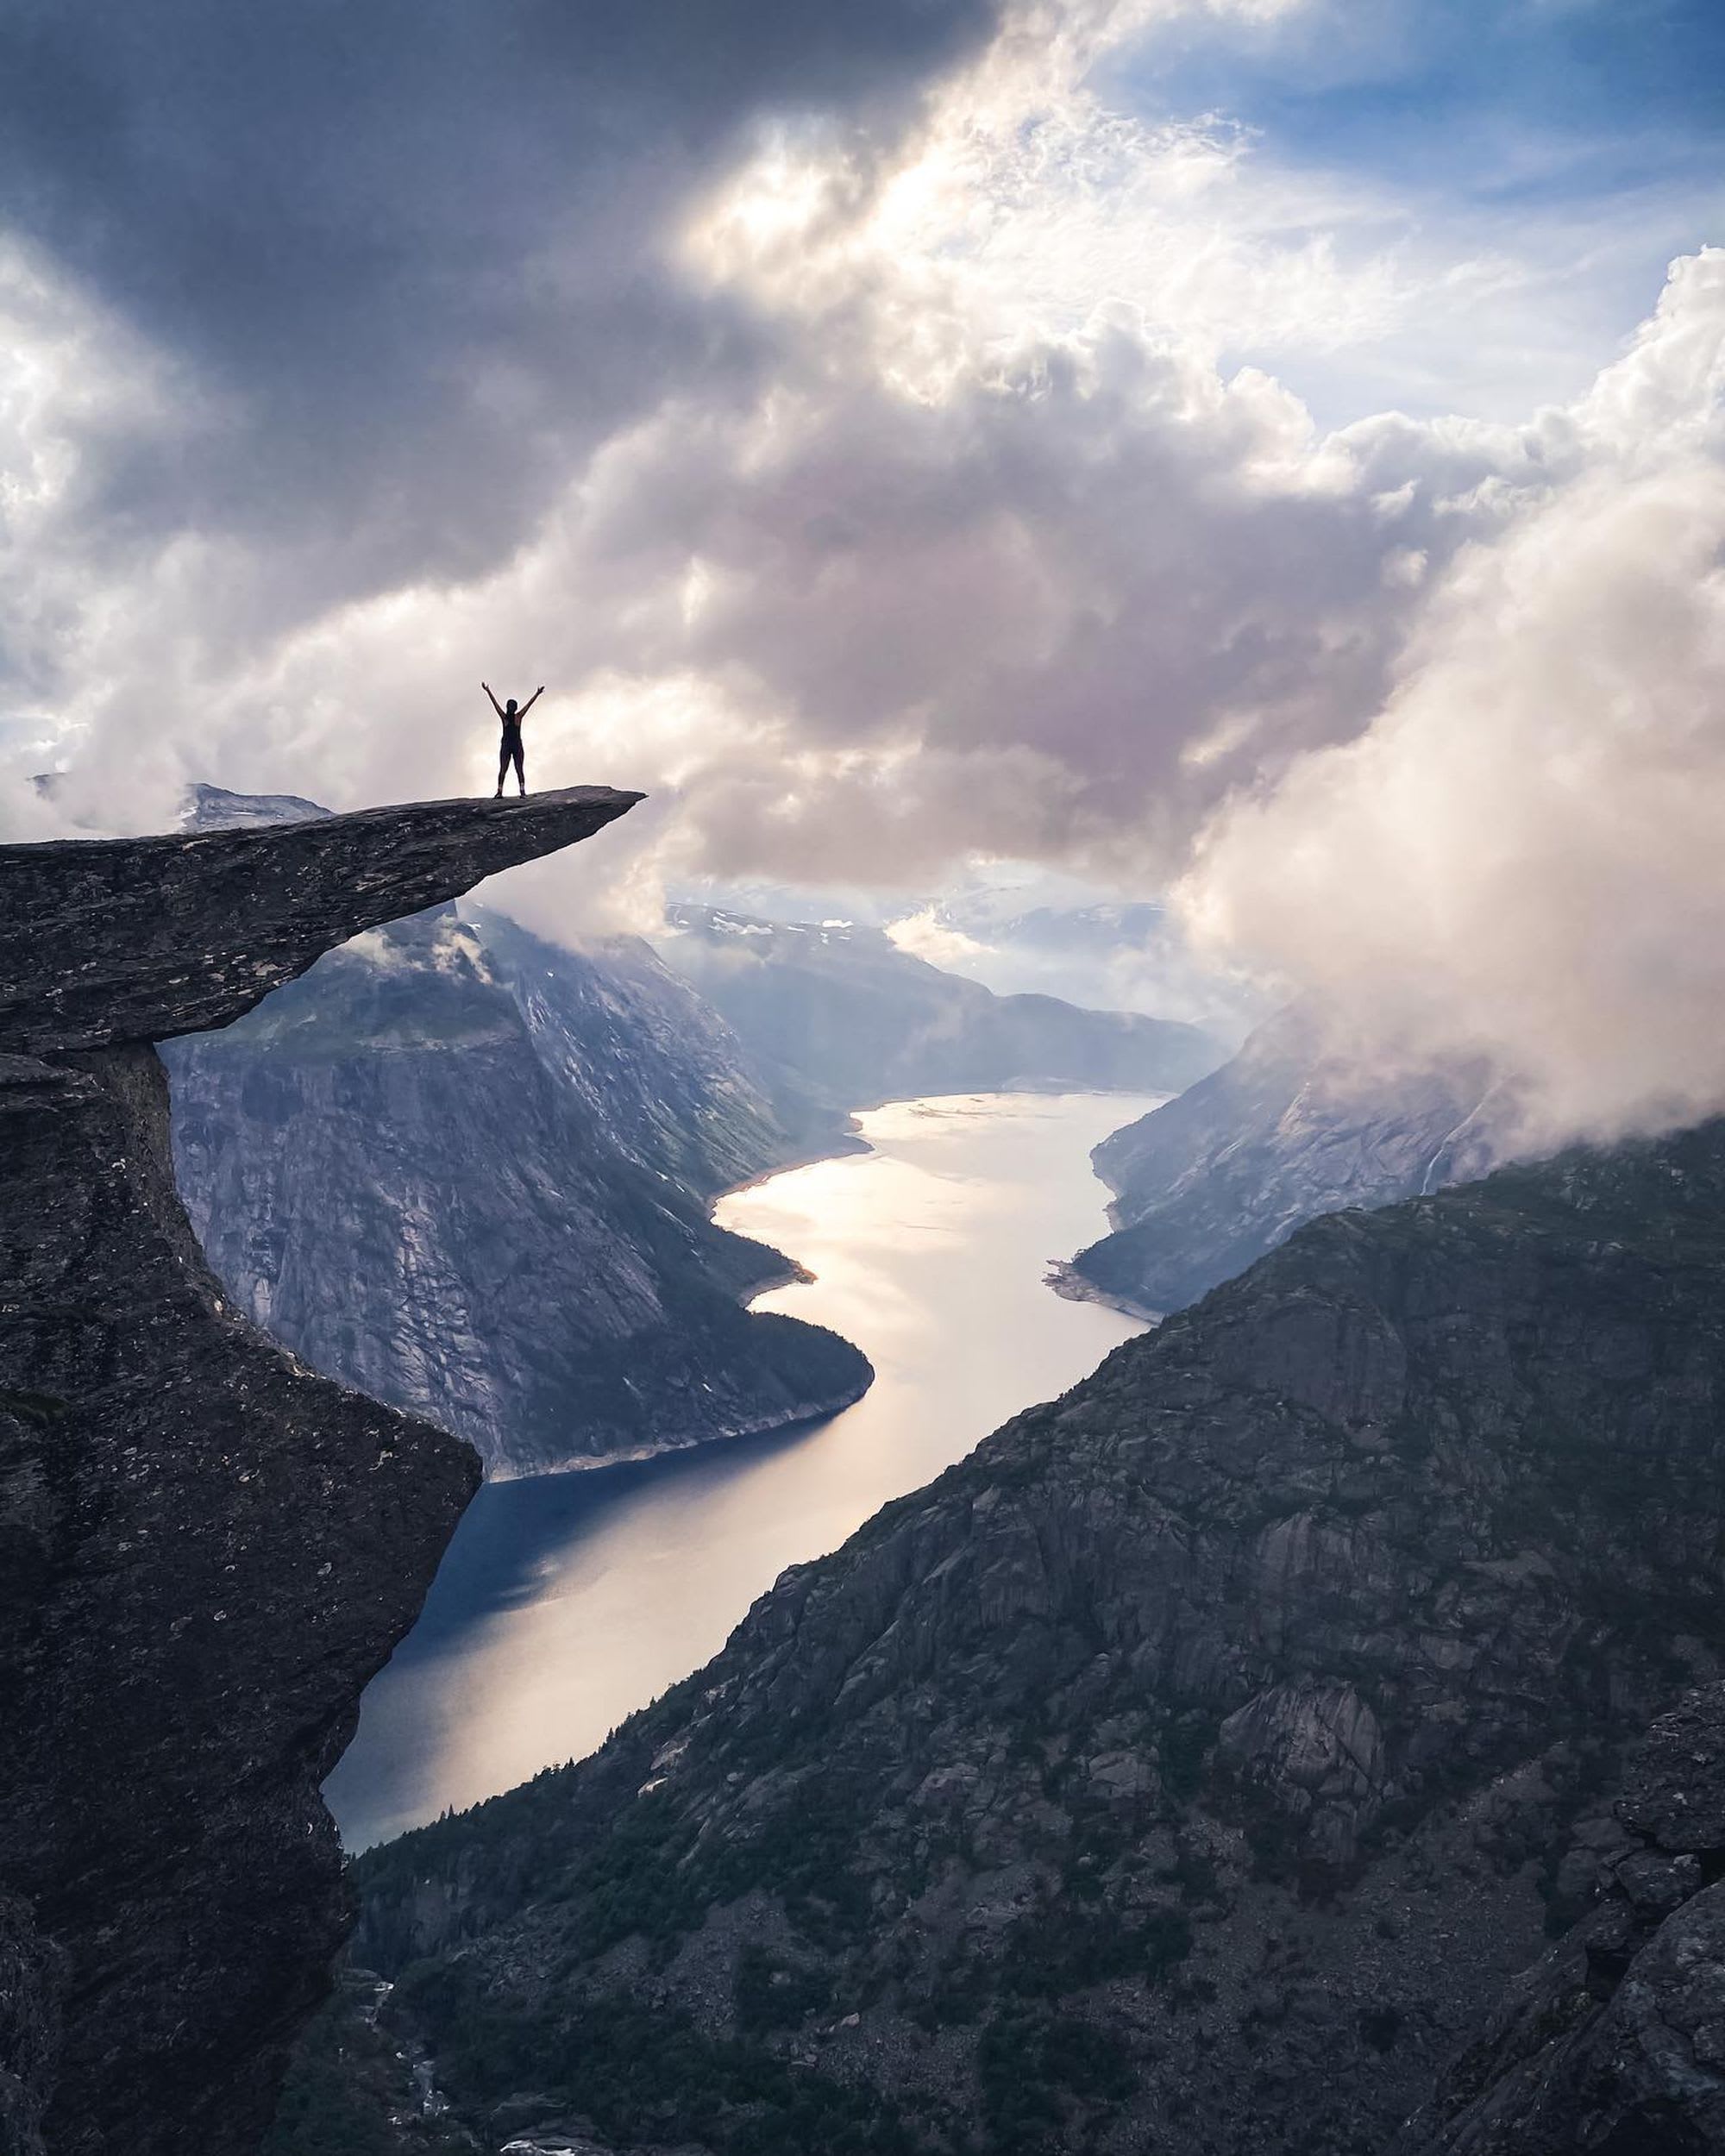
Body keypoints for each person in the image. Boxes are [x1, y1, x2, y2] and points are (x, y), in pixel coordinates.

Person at [483, 681, 543, 797]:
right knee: (505, 769)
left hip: (513, 745)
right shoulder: (511, 717)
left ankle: (521, 791)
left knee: (518, 769)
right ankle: (501, 792)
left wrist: (537, 694)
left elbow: (528, 705)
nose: (511, 708)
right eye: (510, 706)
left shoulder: (516, 717)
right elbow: (495, 704)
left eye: (512, 707)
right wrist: (488, 691)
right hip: (509, 745)